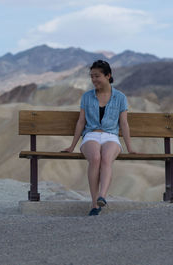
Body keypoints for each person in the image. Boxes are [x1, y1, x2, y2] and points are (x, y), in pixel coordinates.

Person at [63, 60, 135, 216]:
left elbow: (124, 123)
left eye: (97, 76)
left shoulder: (120, 97)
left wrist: (130, 148)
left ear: (108, 76)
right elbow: (81, 121)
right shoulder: (87, 97)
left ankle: (102, 196)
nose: (94, 80)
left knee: (106, 158)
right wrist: (72, 145)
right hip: (91, 135)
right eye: (91, 76)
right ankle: (94, 202)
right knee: (95, 158)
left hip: (111, 136)